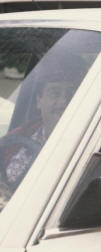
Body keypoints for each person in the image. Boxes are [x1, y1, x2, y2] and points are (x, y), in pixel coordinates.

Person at [0, 54, 87, 191]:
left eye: (71, 94)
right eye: (54, 93)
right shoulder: (18, 137)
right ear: (39, 101)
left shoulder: (89, 141)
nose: (63, 102)